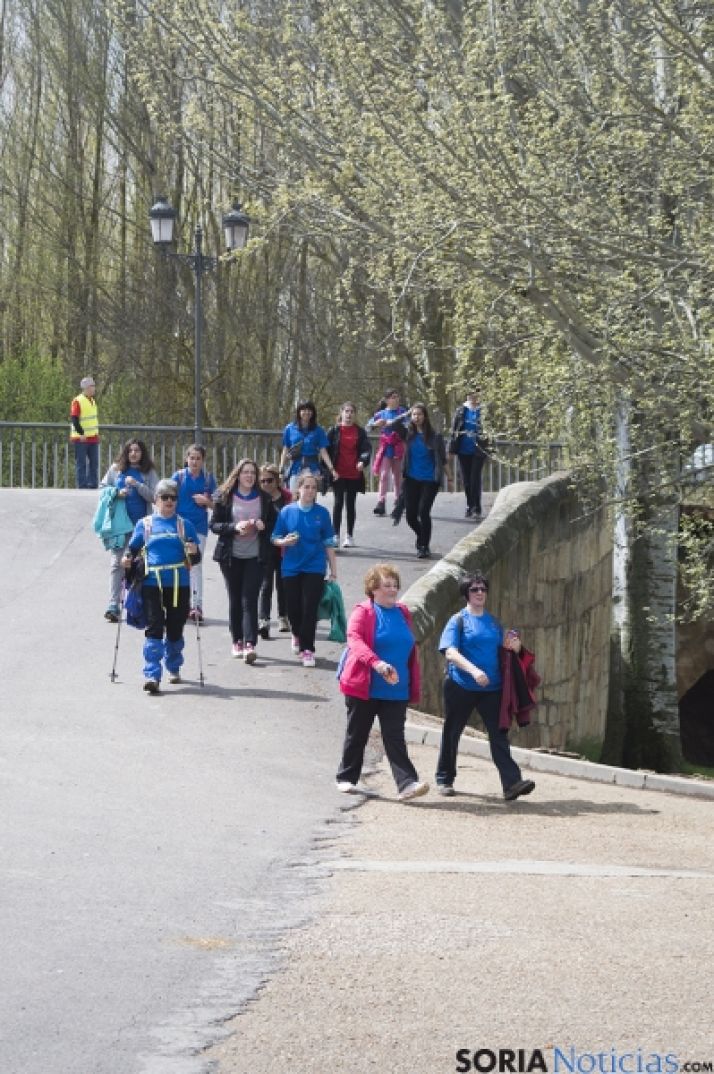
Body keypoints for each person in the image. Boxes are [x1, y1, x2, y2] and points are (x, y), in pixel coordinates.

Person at [436, 571, 536, 800]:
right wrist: (473, 670)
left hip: (492, 689)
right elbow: (450, 652)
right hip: (461, 685)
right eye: (474, 589)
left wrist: (517, 647)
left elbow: (505, 652)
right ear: (466, 594)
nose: (480, 593)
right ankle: (445, 778)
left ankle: (511, 784)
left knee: (500, 734)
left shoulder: (493, 622)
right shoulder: (458, 620)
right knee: (452, 732)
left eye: (483, 589)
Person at [335, 563, 429, 801]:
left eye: (395, 585)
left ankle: (407, 783)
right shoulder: (363, 612)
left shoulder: (403, 612)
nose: (392, 589)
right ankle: (346, 777)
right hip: (365, 686)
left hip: (396, 688)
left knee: (394, 736)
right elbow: (354, 640)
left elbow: (408, 649)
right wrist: (376, 663)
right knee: (358, 733)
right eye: (387, 585)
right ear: (373, 588)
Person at [121, 478, 200, 693]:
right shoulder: (145, 524)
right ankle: (152, 675)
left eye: (173, 497)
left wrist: (193, 552)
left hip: (178, 583)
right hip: (151, 582)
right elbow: (133, 549)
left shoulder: (185, 525)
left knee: (175, 628)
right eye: (164, 497)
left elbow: (196, 558)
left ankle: (173, 666)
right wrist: (127, 559)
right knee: (154, 627)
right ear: (155, 500)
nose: (169, 501)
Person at [210, 458, 277, 663]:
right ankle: (236, 640)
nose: (249, 476)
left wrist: (261, 524)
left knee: (250, 599)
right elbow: (214, 525)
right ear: (238, 475)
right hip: (230, 556)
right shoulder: (225, 497)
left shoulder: (264, 499)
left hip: (255, 556)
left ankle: (250, 644)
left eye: (252, 473)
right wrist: (234, 528)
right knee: (235, 598)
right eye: (246, 472)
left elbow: (273, 524)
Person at [271, 470, 337, 667]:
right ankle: (296, 633)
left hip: (315, 567)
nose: (310, 491)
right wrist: (285, 541)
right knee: (293, 609)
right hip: (291, 567)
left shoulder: (322, 514)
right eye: (306, 487)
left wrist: (333, 571)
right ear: (298, 489)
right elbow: (274, 538)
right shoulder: (287, 512)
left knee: (310, 608)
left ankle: (307, 649)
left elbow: (329, 544)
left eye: (313, 488)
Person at [100, 439, 158, 622]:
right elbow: (102, 489)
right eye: (130, 450)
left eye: (137, 451)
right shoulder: (116, 469)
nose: (134, 454)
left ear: (143, 453)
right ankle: (113, 605)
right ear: (125, 452)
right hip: (119, 525)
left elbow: (155, 497)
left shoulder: (148, 472)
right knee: (117, 564)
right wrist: (116, 493)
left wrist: (138, 485)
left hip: (141, 526)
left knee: (140, 565)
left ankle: (138, 603)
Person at [171, 444, 218, 623]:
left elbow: (217, 504)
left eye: (198, 458)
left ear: (203, 460)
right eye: (192, 458)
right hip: (179, 525)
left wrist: (206, 501)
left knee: (195, 565)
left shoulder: (208, 479)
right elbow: (166, 497)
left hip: (198, 527)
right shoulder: (179, 477)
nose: (195, 461)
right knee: (179, 564)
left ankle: (196, 606)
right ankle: (181, 604)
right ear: (186, 459)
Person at [401, 401, 447, 559]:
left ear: (425, 416)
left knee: (423, 512)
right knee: (410, 516)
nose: (416, 417)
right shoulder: (408, 435)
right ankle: (422, 537)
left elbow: (442, 459)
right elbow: (391, 426)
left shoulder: (435, 437)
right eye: (413, 414)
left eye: (419, 414)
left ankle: (424, 546)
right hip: (411, 479)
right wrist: (404, 415)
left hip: (430, 480)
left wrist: (450, 477)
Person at [326, 402, 372, 548]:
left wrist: (362, 461)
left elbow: (366, 450)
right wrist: (329, 469)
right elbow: (325, 451)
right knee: (338, 503)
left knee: (350, 504)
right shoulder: (333, 431)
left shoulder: (360, 432)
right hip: (338, 473)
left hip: (353, 473)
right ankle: (335, 535)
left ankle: (349, 536)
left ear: (355, 414)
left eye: (352, 411)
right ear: (341, 413)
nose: (349, 414)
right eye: (347, 411)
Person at [257, 463, 293, 638]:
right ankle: (263, 619)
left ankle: (283, 616)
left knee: (283, 584)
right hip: (264, 547)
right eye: (262, 481)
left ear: (277, 480)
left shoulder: (288, 498)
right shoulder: (258, 499)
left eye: (269, 480)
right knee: (265, 585)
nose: (265, 484)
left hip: (284, 548)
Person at [279, 400, 337, 493]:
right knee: (293, 496)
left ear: (313, 412)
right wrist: (281, 469)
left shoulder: (319, 430)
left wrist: (332, 469)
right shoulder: (289, 428)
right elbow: (285, 449)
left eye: (309, 410)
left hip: (313, 467)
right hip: (295, 468)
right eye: (303, 409)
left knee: (310, 496)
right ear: (298, 412)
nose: (307, 412)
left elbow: (323, 451)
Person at [367, 388, 408, 516]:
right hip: (386, 447)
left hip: (398, 446)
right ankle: (381, 501)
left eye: (397, 396)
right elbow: (367, 427)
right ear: (387, 400)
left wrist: (396, 424)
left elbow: (409, 426)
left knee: (397, 475)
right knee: (384, 475)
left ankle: (398, 501)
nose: (396, 399)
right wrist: (375, 424)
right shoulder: (381, 413)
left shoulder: (403, 412)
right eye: (393, 397)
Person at [449, 387, 487, 518]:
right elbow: (454, 430)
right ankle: (469, 505)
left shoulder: (483, 411)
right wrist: (451, 449)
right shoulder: (461, 410)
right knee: (466, 480)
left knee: (475, 478)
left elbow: (489, 432)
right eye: (470, 394)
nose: (473, 396)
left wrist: (490, 449)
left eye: (475, 393)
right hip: (463, 449)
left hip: (479, 449)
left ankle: (476, 506)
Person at [69, 376, 100, 489]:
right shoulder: (78, 401)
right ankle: (82, 485)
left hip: (93, 437)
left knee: (94, 463)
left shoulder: (92, 400)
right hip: (81, 438)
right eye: (92, 386)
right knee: (81, 463)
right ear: (86, 388)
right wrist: (81, 433)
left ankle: (93, 484)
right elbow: (74, 419)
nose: (94, 388)